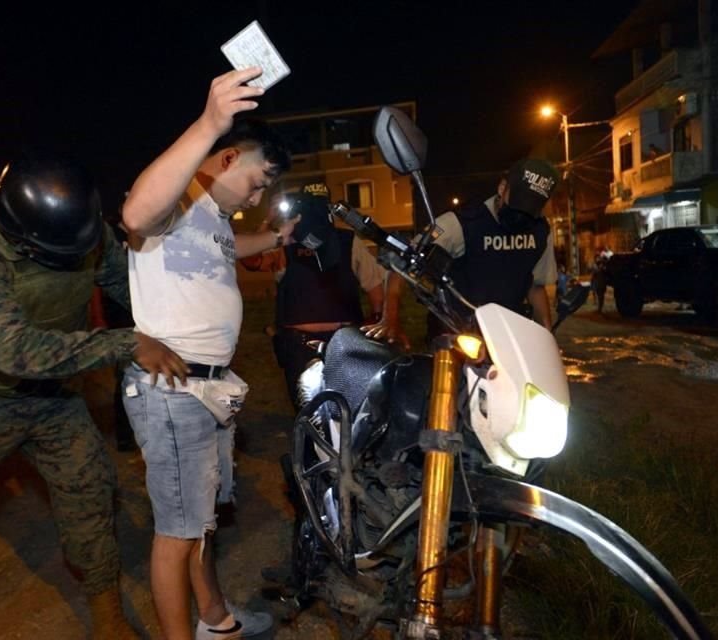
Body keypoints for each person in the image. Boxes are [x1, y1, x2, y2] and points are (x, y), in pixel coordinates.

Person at [0, 153, 186, 639]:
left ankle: (107, 616)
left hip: (54, 400)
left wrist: (179, 318)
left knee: (91, 499)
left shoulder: (87, 234)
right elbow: (13, 350)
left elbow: (130, 287)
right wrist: (126, 343)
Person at [119, 66, 296, 640]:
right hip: (173, 393)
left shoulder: (213, 217)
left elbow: (223, 250)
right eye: (259, 180)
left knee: (202, 522)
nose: (259, 194)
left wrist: (271, 240)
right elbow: (137, 215)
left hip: (207, 389)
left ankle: (215, 620)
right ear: (227, 159)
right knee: (177, 532)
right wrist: (209, 121)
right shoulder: (175, 195)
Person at [241, 180, 408, 411]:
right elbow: (250, 259)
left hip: (344, 343)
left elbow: (375, 287)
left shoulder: (348, 241)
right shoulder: (286, 240)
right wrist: (270, 221)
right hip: (299, 346)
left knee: (350, 409)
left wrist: (380, 322)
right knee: (308, 414)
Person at [425, 158, 560, 340]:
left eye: (530, 208)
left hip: (509, 336)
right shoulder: (464, 223)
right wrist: (390, 318)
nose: (521, 214)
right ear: (502, 188)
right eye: (518, 202)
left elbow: (535, 288)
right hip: (457, 334)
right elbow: (405, 258)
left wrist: (547, 337)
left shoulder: (541, 232)